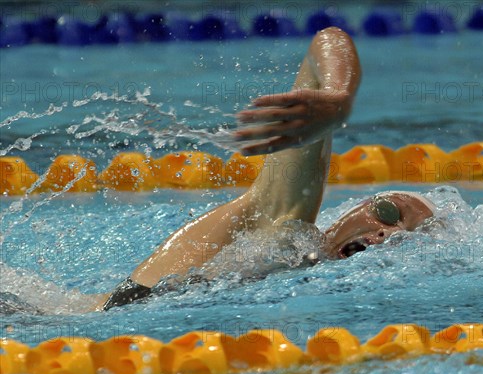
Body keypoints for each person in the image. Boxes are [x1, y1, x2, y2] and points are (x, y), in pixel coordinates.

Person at [95, 27, 434, 310]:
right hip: (96, 322)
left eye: (406, 241)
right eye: (389, 213)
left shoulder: (306, 281)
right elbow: (328, 40)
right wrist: (339, 98)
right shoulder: (282, 223)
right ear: (356, 208)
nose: (389, 234)